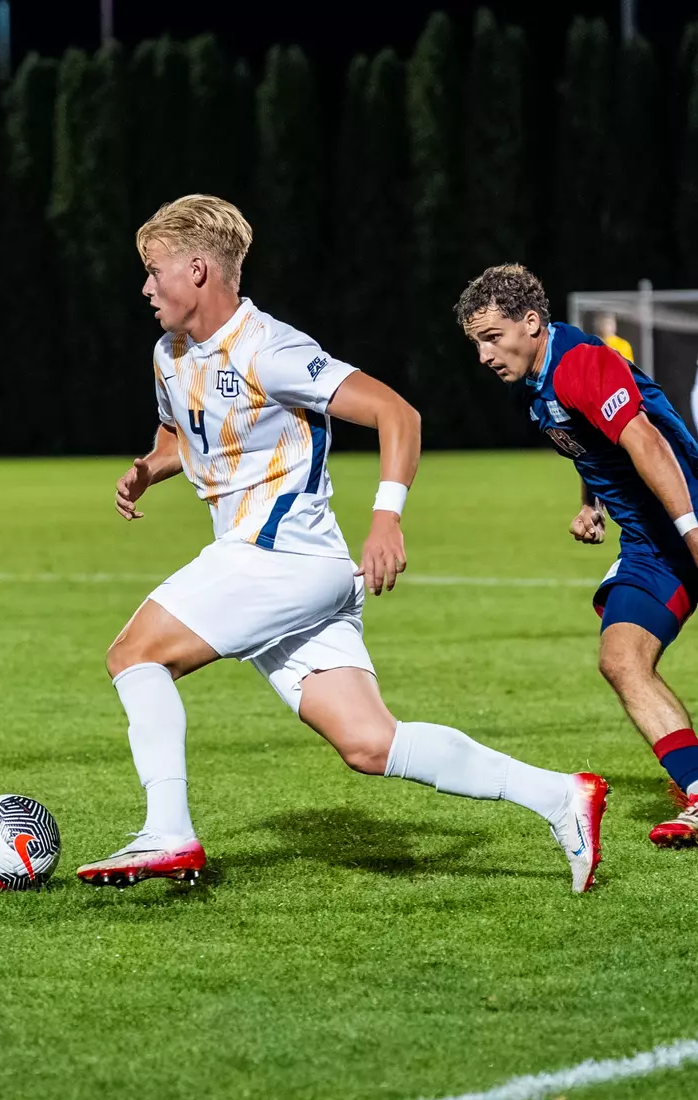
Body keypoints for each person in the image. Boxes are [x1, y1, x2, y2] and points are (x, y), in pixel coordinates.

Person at [76, 198, 607, 893]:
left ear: (198, 269)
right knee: (368, 743)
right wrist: (148, 468)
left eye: (153, 271)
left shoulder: (272, 348)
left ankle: (167, 834)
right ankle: (560, 795)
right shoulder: (169, 353)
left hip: (279, 559)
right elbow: (183, 433)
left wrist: (386, 518)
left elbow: (396, 413)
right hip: (296, 573)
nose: (145, 288)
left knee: (133, 654)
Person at [456, 263, 698, 847]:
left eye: (493, 337)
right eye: (476, 343)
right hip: (650, 543)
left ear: (532, 323)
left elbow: (648, 442)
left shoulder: (580, 363)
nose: (485, 355)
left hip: (685, 522)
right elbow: (594, 448)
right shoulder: (535, 387)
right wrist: (591, 503)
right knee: (621, 659)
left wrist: (693, 531)